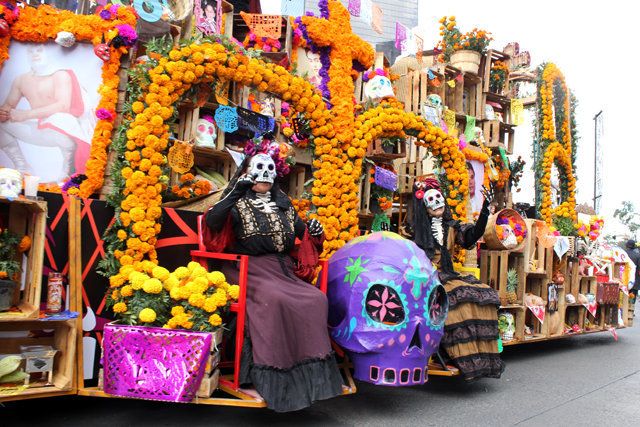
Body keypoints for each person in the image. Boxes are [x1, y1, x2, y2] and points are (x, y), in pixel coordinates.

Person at [203, 153, 343, 412]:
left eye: (269, 168)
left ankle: (310, 378)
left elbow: (305, 235)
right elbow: (212, 222)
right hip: (245, 267)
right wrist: (237, 189)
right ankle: (264, 377)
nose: (264, 174)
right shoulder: (236, 202)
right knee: (274, 299)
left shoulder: (284, 205)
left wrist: (315, 231)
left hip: (281, 269)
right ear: (247, 171)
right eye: (258, 168)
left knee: (316, 298)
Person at [408, 177, 504, 381]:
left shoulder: (452, 227)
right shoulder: (415, 231)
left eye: (438, 197)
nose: (436, 202)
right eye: (431, 199)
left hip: (448, 273)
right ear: (425, 205)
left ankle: (479, 356)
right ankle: (456, 354)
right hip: (427, 276)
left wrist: (485, 209)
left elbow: (471, 236)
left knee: (482, 293)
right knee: (456, 297)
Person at [0, 44, 93, 181]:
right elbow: (7, 107)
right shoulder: (21, 79)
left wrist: (25, 114)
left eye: (39, 50)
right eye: (31, 51)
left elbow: (63, 106)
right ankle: (22, 166)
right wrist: (4, 113)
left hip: (59, 131)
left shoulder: (60, 75)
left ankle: (67, 170)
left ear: (48, 54)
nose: (35, 54)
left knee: (63, 119)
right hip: (36, 129)